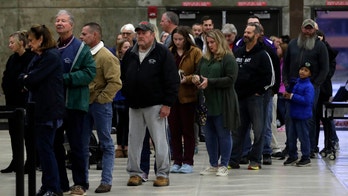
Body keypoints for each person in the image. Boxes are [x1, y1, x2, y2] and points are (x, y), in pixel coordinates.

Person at [122, 21, 179, 187]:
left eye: (143, 33)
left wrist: (168, 103)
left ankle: (162, 174)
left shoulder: (162, 52)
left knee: (160, 141)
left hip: (156, 105)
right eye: (138, 33)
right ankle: (135, 173)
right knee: (134, 141)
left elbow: (172, 80)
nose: (140, 36)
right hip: (134, 105)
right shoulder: (130, 53)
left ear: (152, 35)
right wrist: (127, 92)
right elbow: (123, 75)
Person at [18, 24, 65, 196]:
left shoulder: (51, 56)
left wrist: (27, 79)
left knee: (46, 150)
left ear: (41, 39)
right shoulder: (38, 56)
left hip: (49, 111)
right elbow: (22, 75)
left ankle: (53, 187)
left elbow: (32, 79)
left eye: (31, 40)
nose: (29, 44)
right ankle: (48, 185)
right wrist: (27, 78)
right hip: (38, 110)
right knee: (43, 150)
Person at [54, 9, 96, 195]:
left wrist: (65, 78)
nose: (59, 23)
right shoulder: (53, 48)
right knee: (55, 145)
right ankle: (60, 183)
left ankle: (80, 184)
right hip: (55, 105)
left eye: (63, 21)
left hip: (75, 105)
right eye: (57, 21)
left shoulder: (81, 48)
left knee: (77, 146)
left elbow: (89, 73)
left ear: (71, 25)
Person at [80, 22, 122, 193]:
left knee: (106, 143)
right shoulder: (84, 54)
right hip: (84, 104)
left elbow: (115, 82)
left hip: (100, 105)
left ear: (95, 35)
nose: (81, 37)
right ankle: (82, 180)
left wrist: (101, 99)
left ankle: (106, 180)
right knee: (82, 142)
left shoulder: (106, 56)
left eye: (84, 34)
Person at [195, 29, 240, 176]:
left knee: (223, 134)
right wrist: (196, 79)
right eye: (208, 43)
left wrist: (211, 82)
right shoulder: (205, 58)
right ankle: (213, 163)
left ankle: (224, 164)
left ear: (219, 41)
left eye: (212, 42)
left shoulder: (228, 58)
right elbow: (199, 73)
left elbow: (230, 79)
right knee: (209, 135)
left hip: (223, 101)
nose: (210, 45)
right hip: (208, 102)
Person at [282, 18, 329, 158]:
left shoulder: (320, 46)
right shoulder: (292, 44)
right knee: (289, 118)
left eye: (310, 28)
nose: (307, 31)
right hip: (292, 85)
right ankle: (290, 150)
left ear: (314, 30)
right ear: (302, 29)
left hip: (310, 88)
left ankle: (310, 149)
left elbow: (324, 69)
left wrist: (315, 85)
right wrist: (285, 81)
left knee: (308, 118)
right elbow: (286, 64)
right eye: (305, 28)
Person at [229, 23, 273, 170]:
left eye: (249, 32)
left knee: (259, 130)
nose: (245, 34)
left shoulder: (263, 54)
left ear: (257, 35)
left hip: (256, 98)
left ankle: (255, 160)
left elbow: (270, 78)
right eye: (245, 32)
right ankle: (233, 160)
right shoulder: (238, 52)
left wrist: (259, 91)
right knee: (238, 131)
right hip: (239, 97)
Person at [167, 26, 202, 174]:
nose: (177, 42)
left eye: (180, 39)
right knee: (174, 130)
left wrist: (186, 79)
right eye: (175, 39)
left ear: (186, 39)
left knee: (188, 130)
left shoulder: (195, 52)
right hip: (172, 96)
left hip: (188, 96)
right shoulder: (169, 52)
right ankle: (177, 160)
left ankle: (188, 161)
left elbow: (199, 73)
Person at [1, 31, 35, 174]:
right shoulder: (12, 59)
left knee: (27, 134)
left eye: (12, 42)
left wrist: (22, 87)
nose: (10, 45)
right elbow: (6, 76)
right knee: (14, 134)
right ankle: (16, 161)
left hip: (25, 102)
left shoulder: (31, 58)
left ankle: (31, 162)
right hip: (12, 102)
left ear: (21, 43)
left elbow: (28, 79)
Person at [283, 63, 314, 167]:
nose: (302, 72)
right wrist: (288, 94)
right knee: (291, 136)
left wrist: (292, 96)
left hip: (303, 116)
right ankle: (292, 155)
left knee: (303, 137)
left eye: (306, 70)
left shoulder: (309, 86)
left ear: (310, 74)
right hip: (293, 114)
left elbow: (307, 100)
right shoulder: (297, 82)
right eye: (301, 69)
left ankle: (306, 157)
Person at [314, 30, 339, 154]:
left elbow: (329, 71)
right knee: (313, 119)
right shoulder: (312, 51)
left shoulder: (329, 53)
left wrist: (324, 43)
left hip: (324, 90)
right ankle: (313, 146)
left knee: (327, 119)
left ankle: (330, 145)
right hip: (312, 89)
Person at [113, 39, 131, 158]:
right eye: (125, 47)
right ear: (120, 49)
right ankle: (120, 145)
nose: (128, 49)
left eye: (129, 47)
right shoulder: (117, 62)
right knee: (120, 122)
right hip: (119, 95)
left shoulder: (133, 61)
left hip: (130, 94)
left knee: (129, 122)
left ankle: (128, 145)